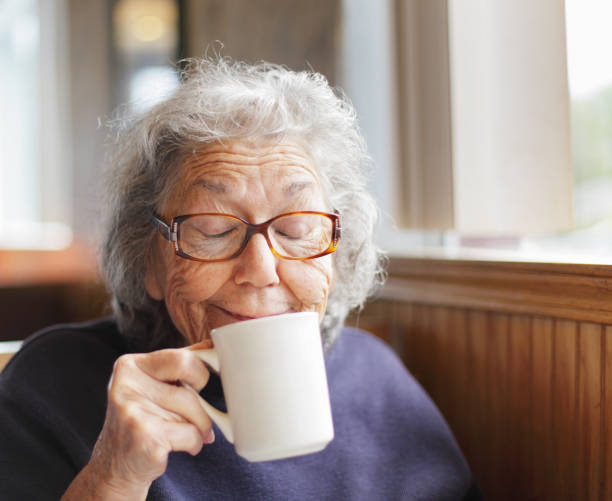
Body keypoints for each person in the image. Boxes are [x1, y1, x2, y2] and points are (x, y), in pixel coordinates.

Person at [0, 57, 482, 500]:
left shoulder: (376, 380)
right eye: (213, 230)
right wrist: (113, 477)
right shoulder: (55, 383)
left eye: (296, 229)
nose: (261, 271)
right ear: (148, 261)